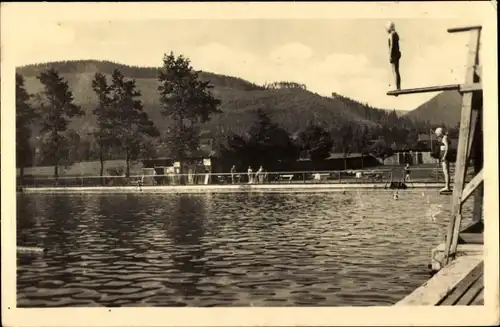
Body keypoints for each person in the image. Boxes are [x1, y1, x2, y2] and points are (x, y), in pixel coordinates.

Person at [386, 21, 402, 92]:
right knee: (396, 71)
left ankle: (397, 87)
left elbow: (392, 45)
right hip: (397, 54)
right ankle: (398, 86)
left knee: (395, 71)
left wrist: (390, 55)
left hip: (394, 55)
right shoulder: (395, 34)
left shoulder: (392, 34)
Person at [435, 127, 451, 192]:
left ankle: (447, 186)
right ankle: (447, 186)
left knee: (446, 171)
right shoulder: (443, 138)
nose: (436, 134)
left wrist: (444, 156)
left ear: (439, 132)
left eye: (436, 133)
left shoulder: (444, 138)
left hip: (445, 156)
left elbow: (447, 148)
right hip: (443, 156)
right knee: (445, 171)